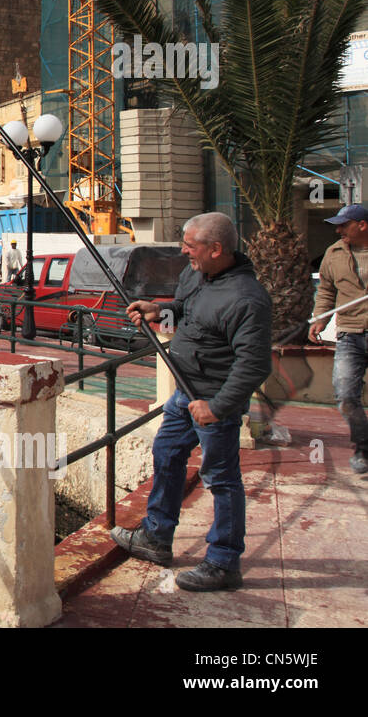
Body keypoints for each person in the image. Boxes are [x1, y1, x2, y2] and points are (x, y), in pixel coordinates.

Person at [112, 212, 272, 592]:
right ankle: (156, 537)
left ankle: (223, 561)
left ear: (216, 249)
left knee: (221, 479)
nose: (184, 251)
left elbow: (254, 365)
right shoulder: (196, 275)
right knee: (166, 454)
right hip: (184, 393)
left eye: (191, 246)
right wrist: (158, 310)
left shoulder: (248, 300)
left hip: (214, 402)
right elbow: (184, 311)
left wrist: (217, 407)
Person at [309, 203, 368, 475]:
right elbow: (326, 291)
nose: (338, 229)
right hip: (350, 334)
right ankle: (364, 446)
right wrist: (320, 317)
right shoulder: (333, 253)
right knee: (345, 394)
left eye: (344, 224)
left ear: (362, 225)